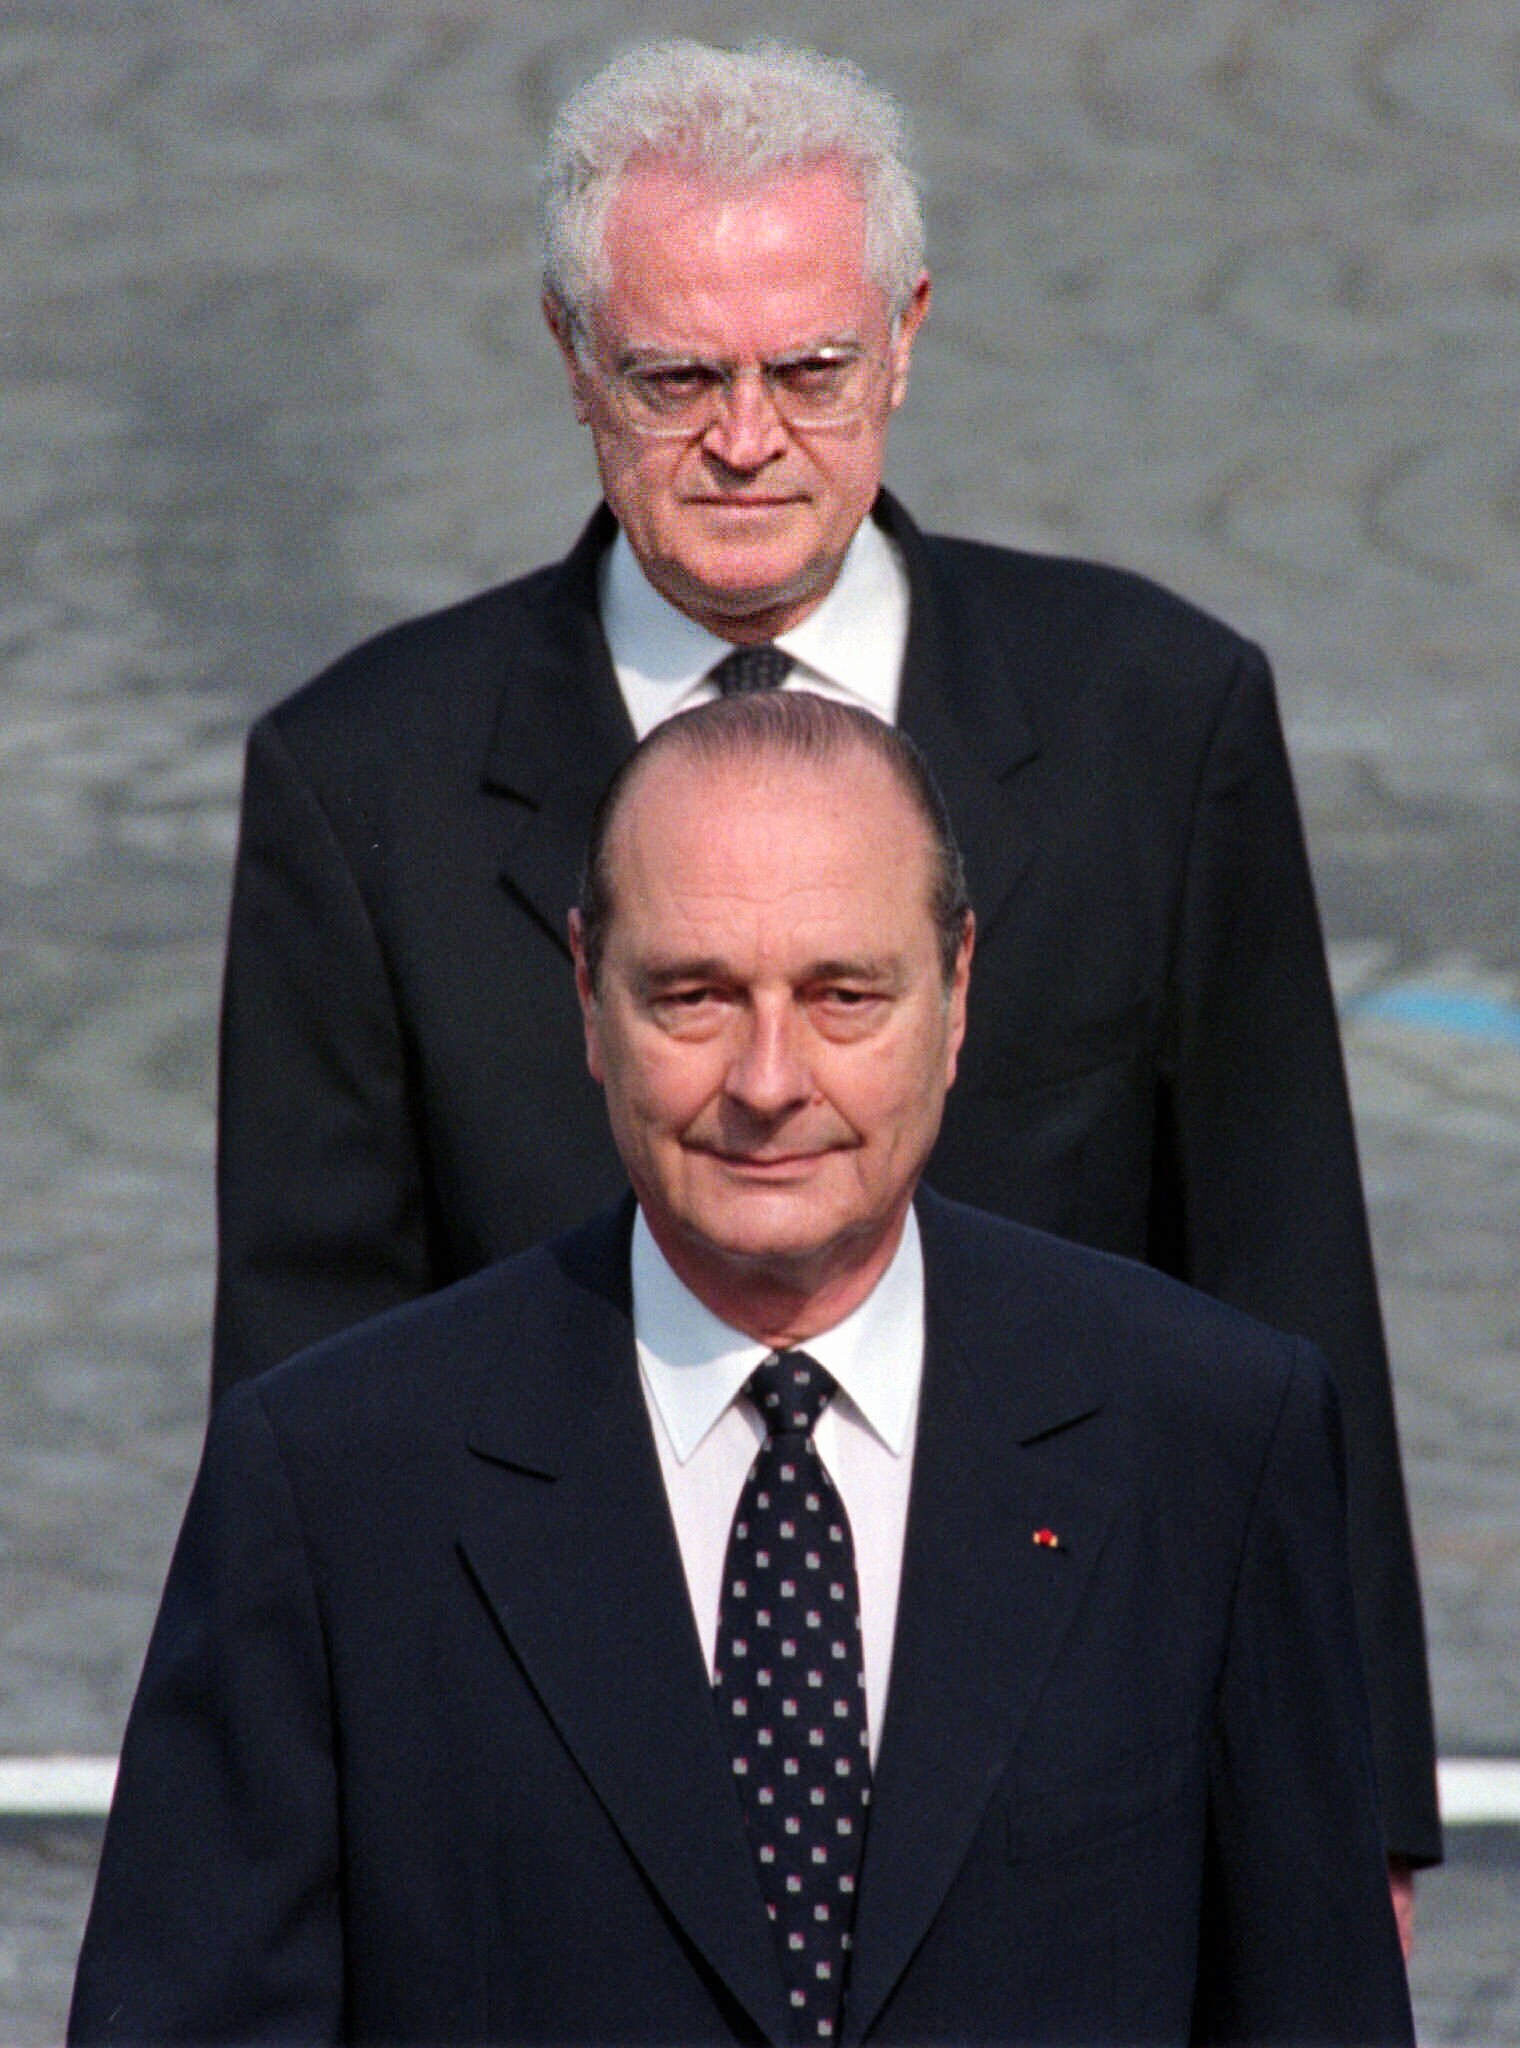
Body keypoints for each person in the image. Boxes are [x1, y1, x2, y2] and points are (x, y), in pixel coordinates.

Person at [210, 38, 1439, 1901]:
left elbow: (1288, 1290)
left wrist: (1354, 1827)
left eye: (810, 370)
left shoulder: (1153, 722)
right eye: (677, 377)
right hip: (551, 1798)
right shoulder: (361, 776)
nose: (747, 439)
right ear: (569, 357)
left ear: (911, 335)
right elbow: (307, 1385)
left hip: (1070, 1772)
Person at [73, 695, 1413, 2044]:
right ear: (588, 997)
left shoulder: (1210, 1441)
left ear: (956, 995)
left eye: (843, 995)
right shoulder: (335, 1483)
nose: (768, 1079)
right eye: (695, 996)